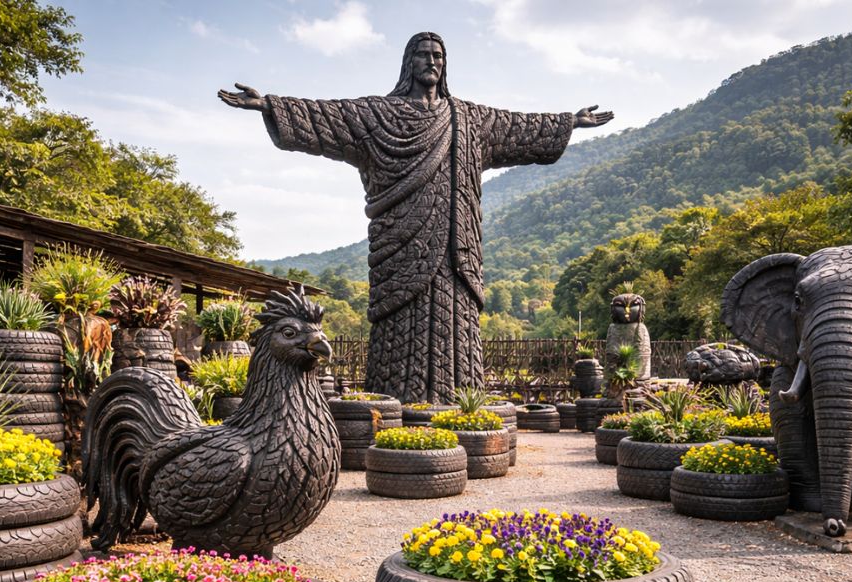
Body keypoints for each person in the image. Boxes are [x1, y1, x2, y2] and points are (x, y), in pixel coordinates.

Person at [220, 31, 613, 403]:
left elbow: (520, 127)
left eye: (438, 55)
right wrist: (270, 105)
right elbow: (332, 117)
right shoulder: (379, 115)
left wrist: (569, 121)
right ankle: (393, 402)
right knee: (397, 325)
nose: (432, 61)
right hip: (399, 244)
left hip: (457, 248)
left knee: (456, 323)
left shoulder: (469, 119)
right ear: (409, 62)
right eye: (424, 54)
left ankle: (463, 405)